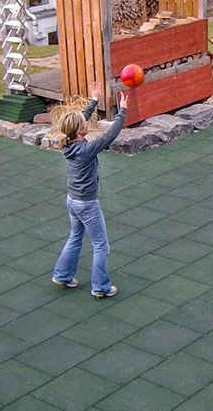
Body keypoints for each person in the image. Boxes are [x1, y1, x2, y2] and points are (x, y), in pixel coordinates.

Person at [51, 82, 127, 298]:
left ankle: (62, 275)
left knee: (75, 236)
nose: (87, 122)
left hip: (72, 200)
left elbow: (77, 120)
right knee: (101, 245)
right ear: (79, 130)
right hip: (86, 204)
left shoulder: (68, 143)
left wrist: (94, 100)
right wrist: (122, 110)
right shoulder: (86, 149)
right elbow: (111, 134)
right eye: (84, 122)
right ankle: (101, 287)